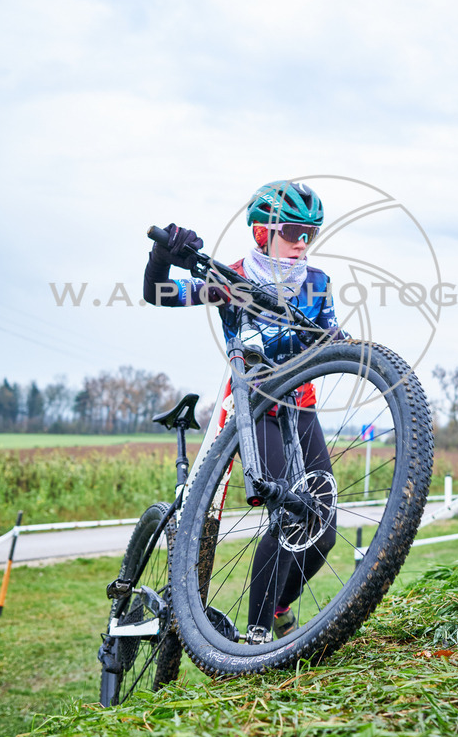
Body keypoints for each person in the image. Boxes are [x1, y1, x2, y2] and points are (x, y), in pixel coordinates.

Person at [143, 180, 347, 642]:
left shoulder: (317, 284)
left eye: (309, 234)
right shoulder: (229, 278)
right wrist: (163, 255)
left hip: (303, 408)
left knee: (326, 530)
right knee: (285, 512)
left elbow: (326, 341)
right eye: (292, 230)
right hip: (255, 409)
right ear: (262, 233)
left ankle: (277, 609)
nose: (301, 243)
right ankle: (254, 640)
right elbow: (158, 293)